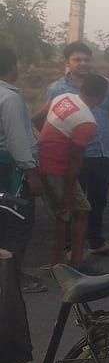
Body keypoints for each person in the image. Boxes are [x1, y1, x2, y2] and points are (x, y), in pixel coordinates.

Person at [44, 42, 109, 258]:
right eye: (77, 59)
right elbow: (47, 120)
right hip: (76, 156)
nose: (82, 63)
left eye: (86, 59)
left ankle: (96, 243)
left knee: (99, 201)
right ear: (67, 62)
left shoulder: (105, 85)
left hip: (103, 153)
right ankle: (70, 250)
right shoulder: (57, 89)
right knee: (73, 204)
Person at [37, 73, 106, 269]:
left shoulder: (63, 98)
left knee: (72, 213)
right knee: (69, 213)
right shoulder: (87, 121)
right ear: (101, 97)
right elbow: (75, 161)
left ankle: (65, 263)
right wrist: (68, 194)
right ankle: (67, 266)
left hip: (43, 162)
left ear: (82, 88)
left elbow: (37, 119)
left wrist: (46, 143)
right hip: (58, 169)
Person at [0, 46, 40, 291]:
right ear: (13, 65)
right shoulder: (10, 98)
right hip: (10, 171)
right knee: (17, 223)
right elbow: (17, 141)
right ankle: (13, 279)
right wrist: (32, 172)